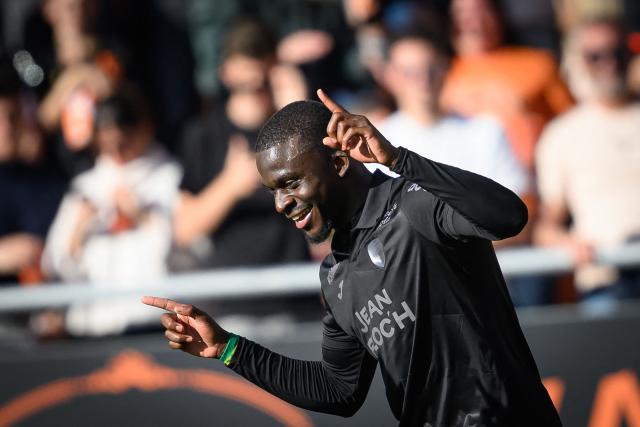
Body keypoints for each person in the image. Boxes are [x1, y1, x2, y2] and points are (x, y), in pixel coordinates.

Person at [144, 89, 560, 426]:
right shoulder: (337, 274)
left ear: (340, 162)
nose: (281, 204)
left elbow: (509, 216)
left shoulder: (415, 205)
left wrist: (399, 159)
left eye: (289, 183)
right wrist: (228, 348)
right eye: (272, 190)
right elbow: (339, 391)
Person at [42, 88, 180, 336]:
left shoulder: (171, 177)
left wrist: (144, 217)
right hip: (94, 325)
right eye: (107, 142)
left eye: (124, 140)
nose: (117, 152)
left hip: (152, 323)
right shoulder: (85, 186)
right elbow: (56, 263)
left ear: (145, 130)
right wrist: (79, 230)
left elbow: (186, 251)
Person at [173, 18, 309, 268]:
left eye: (262, 80)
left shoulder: (296, 128)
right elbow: (184, 229)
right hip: (234, 292)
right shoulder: (203, 134)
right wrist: (230, 186)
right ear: (225, 72)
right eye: (246, 82)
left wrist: (297, 113)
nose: (256, 87)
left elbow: (328, 204)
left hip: (295, 291)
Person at [535, 17, 640, 304]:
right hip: (607, 280)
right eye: (595, 56)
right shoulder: (562, 133)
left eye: (616, 52)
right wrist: (569, 243)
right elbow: (546, 227)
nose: (609, 63)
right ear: (577, 62)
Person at [441, 0, 574, 170]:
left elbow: (571, 123)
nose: (473, 21)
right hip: (463, 186)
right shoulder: (436, 75)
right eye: (461, 13)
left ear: (498, 15)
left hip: (531, 182)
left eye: (482, 11)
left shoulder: (538, 64)